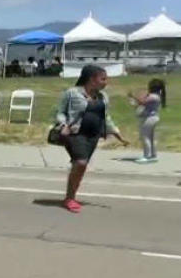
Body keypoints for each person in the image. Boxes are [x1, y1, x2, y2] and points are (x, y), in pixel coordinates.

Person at [55, 65, 128, 213]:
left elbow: (106, 118)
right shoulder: (72, 93)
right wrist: (63, 125)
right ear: (92, 80)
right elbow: (60, 112)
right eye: (103, 79)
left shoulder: (103, 97)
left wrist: (118, 134)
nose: (106, 82)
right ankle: (69, 198)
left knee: (81, 166)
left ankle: (71, 195)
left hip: (93, 135)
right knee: (81, 163)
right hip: (75, 134)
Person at [128, 78, 166, 164]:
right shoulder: (156, 95)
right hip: (152, 118)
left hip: (149, 118)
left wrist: (133, 96)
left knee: (145, 137)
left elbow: (142, 102)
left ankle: (147, 156)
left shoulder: (153, 96)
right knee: (152, 138)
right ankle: (153, 155)